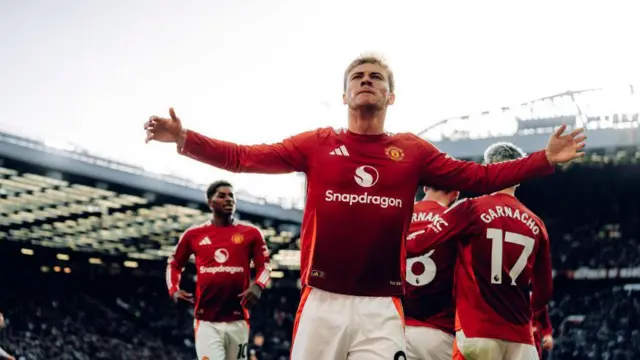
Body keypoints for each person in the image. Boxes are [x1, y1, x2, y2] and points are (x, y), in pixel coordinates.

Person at [145, 55, 584, 360]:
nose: (367, 80)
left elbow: (480, 178)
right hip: (321, 300)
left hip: (382, 305)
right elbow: (244, 157)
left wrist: (543, 160)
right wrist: (186, 140)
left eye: (376, 76)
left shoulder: (412, 151)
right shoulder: (318, 144)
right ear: (344, 96)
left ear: (391, 97)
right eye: (358, 77)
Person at [416, 142, 554, 360]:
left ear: (488, 167)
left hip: (477, 331)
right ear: (519, 178)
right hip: (521, 340)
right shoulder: (536, 224)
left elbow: (419, 244)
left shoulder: (471, 208)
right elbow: (543, 292)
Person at [166, 180, 271, 360]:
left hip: (238, 320)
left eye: (231, 196)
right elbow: (174, 263)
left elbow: (265, 265)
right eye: (221, 196)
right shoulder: (193, 235)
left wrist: (258, 285)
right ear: (210, 203)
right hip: (206, 321)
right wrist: (174, 290)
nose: (228, 199)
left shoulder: (251, 233)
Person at [404, 187, 459, 360]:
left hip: (393, 327)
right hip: (439, 332)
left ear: (425, 187)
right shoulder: (459, 221)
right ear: (456, 193)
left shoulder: (399, 215)